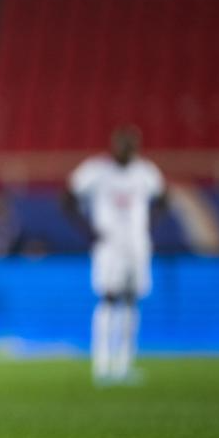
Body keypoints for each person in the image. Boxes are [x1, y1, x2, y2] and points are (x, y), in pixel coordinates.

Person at [62, 126, 168, 385]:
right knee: (108, 299)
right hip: (109, 247)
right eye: (123, 143)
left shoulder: (145, 172)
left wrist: (148, 226)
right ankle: (102, 365)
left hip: (137, 246)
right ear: (114, 145)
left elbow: (164, 198)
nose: (127, 149)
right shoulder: (97, 171)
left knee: (131, 301)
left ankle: (124, 364)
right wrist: (88, 231)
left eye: (131, 144)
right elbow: (67, 197)